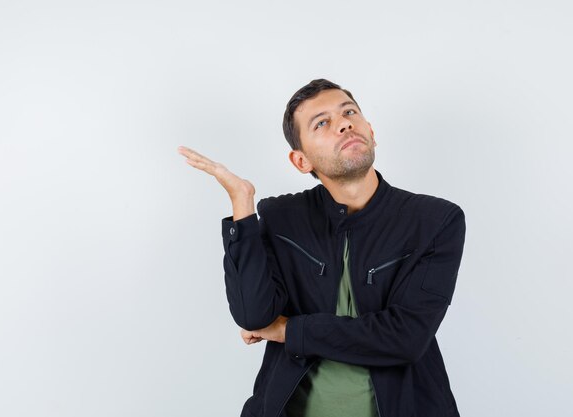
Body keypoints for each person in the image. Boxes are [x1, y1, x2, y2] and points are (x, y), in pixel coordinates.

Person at [178, 79, 466, 417]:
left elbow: (405, 338)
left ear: (370, 131)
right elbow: (253, 316)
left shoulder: (435, 220)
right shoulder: (282, 217)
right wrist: (242, 204)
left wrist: (288, 330)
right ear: (301, 161)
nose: (344, 123)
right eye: (322, 123)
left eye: (349, 112)